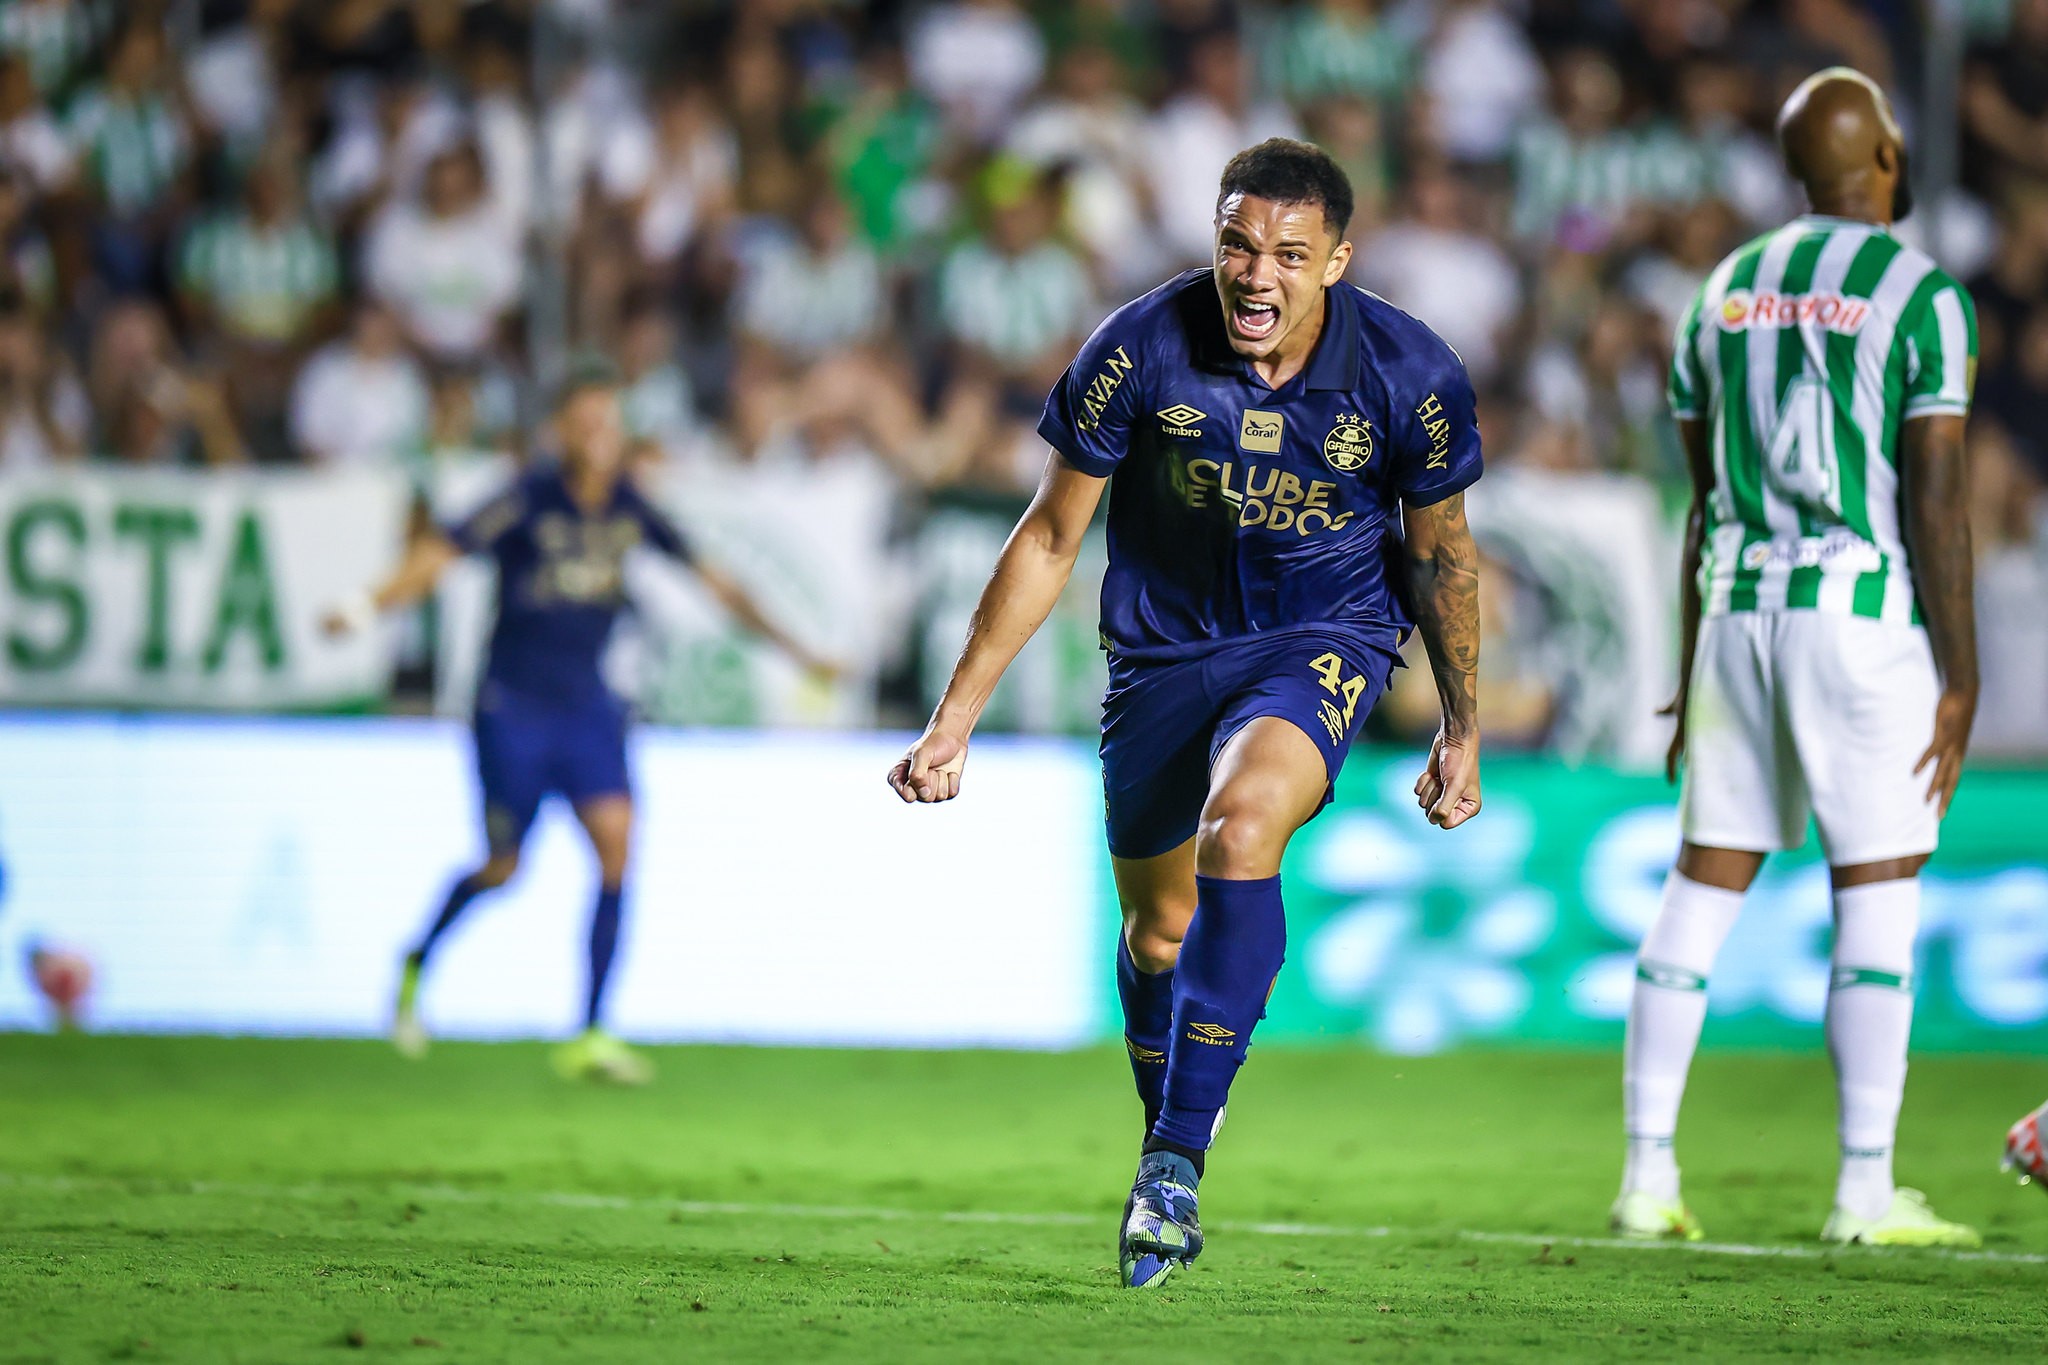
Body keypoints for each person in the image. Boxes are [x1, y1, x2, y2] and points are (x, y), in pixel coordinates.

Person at [887, 138, 1484, 1288]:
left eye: (1288, 255)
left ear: (1337, 262)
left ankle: (1170, 1163)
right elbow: (1052, 535)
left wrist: (1462, 724)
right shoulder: (1137, 348)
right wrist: (952, 720)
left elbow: (1441, 556)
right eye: (1237, 246)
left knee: (1241, 826)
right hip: (1158, 660)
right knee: (1157, 934)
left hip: (1319, 640)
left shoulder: (1409, 373)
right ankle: (1173, 1127)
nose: (1256, 276)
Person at [1616, 68, 1981, 1249]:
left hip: (1734, 613)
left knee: (1697, 887)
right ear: (1879, 154)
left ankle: (1643, 1177)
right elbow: (1933, 492)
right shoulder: (1920, 295)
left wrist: (1686, 663)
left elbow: (1699, 499)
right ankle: (1862, 1193)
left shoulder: (1715, 293)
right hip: (1861, 623)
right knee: (1873, 891)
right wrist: (1962, 671)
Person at [327, 362, 832, 1083]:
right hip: (512, 705)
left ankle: (592, 1030)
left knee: (618, 843)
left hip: (588, 706)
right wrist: (365, 604)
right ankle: (417, 961)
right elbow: (439, 556)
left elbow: (716, 580)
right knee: (504, 867)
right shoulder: (526, 500)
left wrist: (799, 651)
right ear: (560, 430)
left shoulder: (630, 505)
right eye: (585, 421)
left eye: (608, 420)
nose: (598, 434)